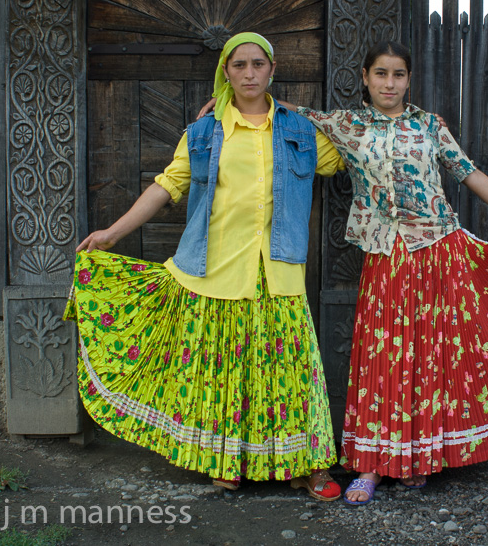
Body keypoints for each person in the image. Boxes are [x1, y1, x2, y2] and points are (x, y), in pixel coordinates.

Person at [65, 32, 345, 501]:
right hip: (215, 268)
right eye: (239, 66)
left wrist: (299, 108)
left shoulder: (298, 131)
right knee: (225, 373)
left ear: (272, 71)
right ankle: (225, 459)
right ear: (226, 72)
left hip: (278, 271)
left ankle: (308, 465)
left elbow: (343, 154)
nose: (250, 73)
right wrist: (112, 233)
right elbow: (166, 185)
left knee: (292, 375)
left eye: (259, 64)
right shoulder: (202, 133)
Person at [280, 40, 488, 504]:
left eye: (399, 75)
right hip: (386, 257)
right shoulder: (346, 125)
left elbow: (469, 173)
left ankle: (417, 459)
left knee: (429, 357)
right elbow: (289, 111)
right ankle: (369, 466)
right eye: (382, 74)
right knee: (380, 356)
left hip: (437, 250)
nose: (390, 83)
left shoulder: (430, 126)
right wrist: (231, 100)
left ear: (409, 79)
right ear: (365, 78)